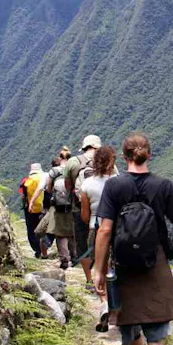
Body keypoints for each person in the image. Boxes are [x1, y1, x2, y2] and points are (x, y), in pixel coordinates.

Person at [93, 132, 173, 345]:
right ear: (149, 155)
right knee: (156, 330)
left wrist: (98, 269)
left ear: (124, 157)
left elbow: (105, 230)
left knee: (131, 321)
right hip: (155, 263)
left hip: (123, 264)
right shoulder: (164, 187)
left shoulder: (114, 186)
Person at [67, 135, 118, 284]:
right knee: (109, 253)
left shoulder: (73, 162)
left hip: (84, 213)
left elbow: (68, 185)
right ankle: (110, 281)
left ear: (85, 147)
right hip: (112, 221)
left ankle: (90, 279)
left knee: (83, 246)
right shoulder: (112, 168)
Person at [80, 145, 117, 330]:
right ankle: (116, 306)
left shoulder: (86, 185)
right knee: (115, 266)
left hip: (95, 229)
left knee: (99, 268)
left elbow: (85, 216)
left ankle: (104, 302)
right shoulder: (118, 182)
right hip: (118, 229)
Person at [44, 156, 77, 269]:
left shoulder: (54, 172)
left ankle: (64, 260)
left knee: (60, 234)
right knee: (72, 233)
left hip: (59, 207)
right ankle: (75, 257)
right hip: (72, 206)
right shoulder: (74, 169)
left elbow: (48, 189)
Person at [18, 163, 49, 258]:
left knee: (31, 229)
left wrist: (25, 205)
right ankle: (45, 248)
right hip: (43, 208)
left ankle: (37, 250)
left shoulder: (25, 181)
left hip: (29, 209)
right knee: (43, 229)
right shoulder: (45, 178)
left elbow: (22, 195)